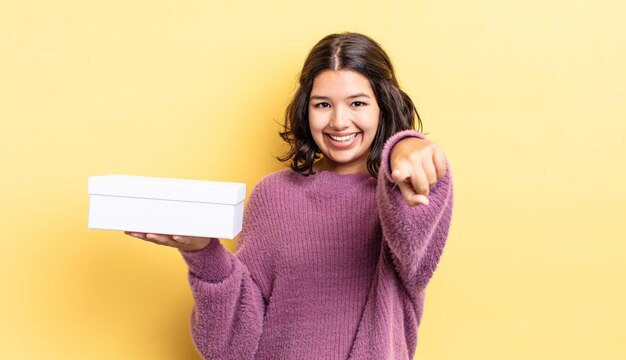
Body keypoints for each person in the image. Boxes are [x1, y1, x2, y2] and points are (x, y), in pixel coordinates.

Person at [126, 32, 454, 360]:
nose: (339, 122)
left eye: (357, 103)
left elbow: (417, 235)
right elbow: (230, 346)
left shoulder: (401, 196)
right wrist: (203, 253)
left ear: (383, 107)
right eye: (323, 104)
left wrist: (406, 144)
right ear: (305, 108)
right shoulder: (274, 195)